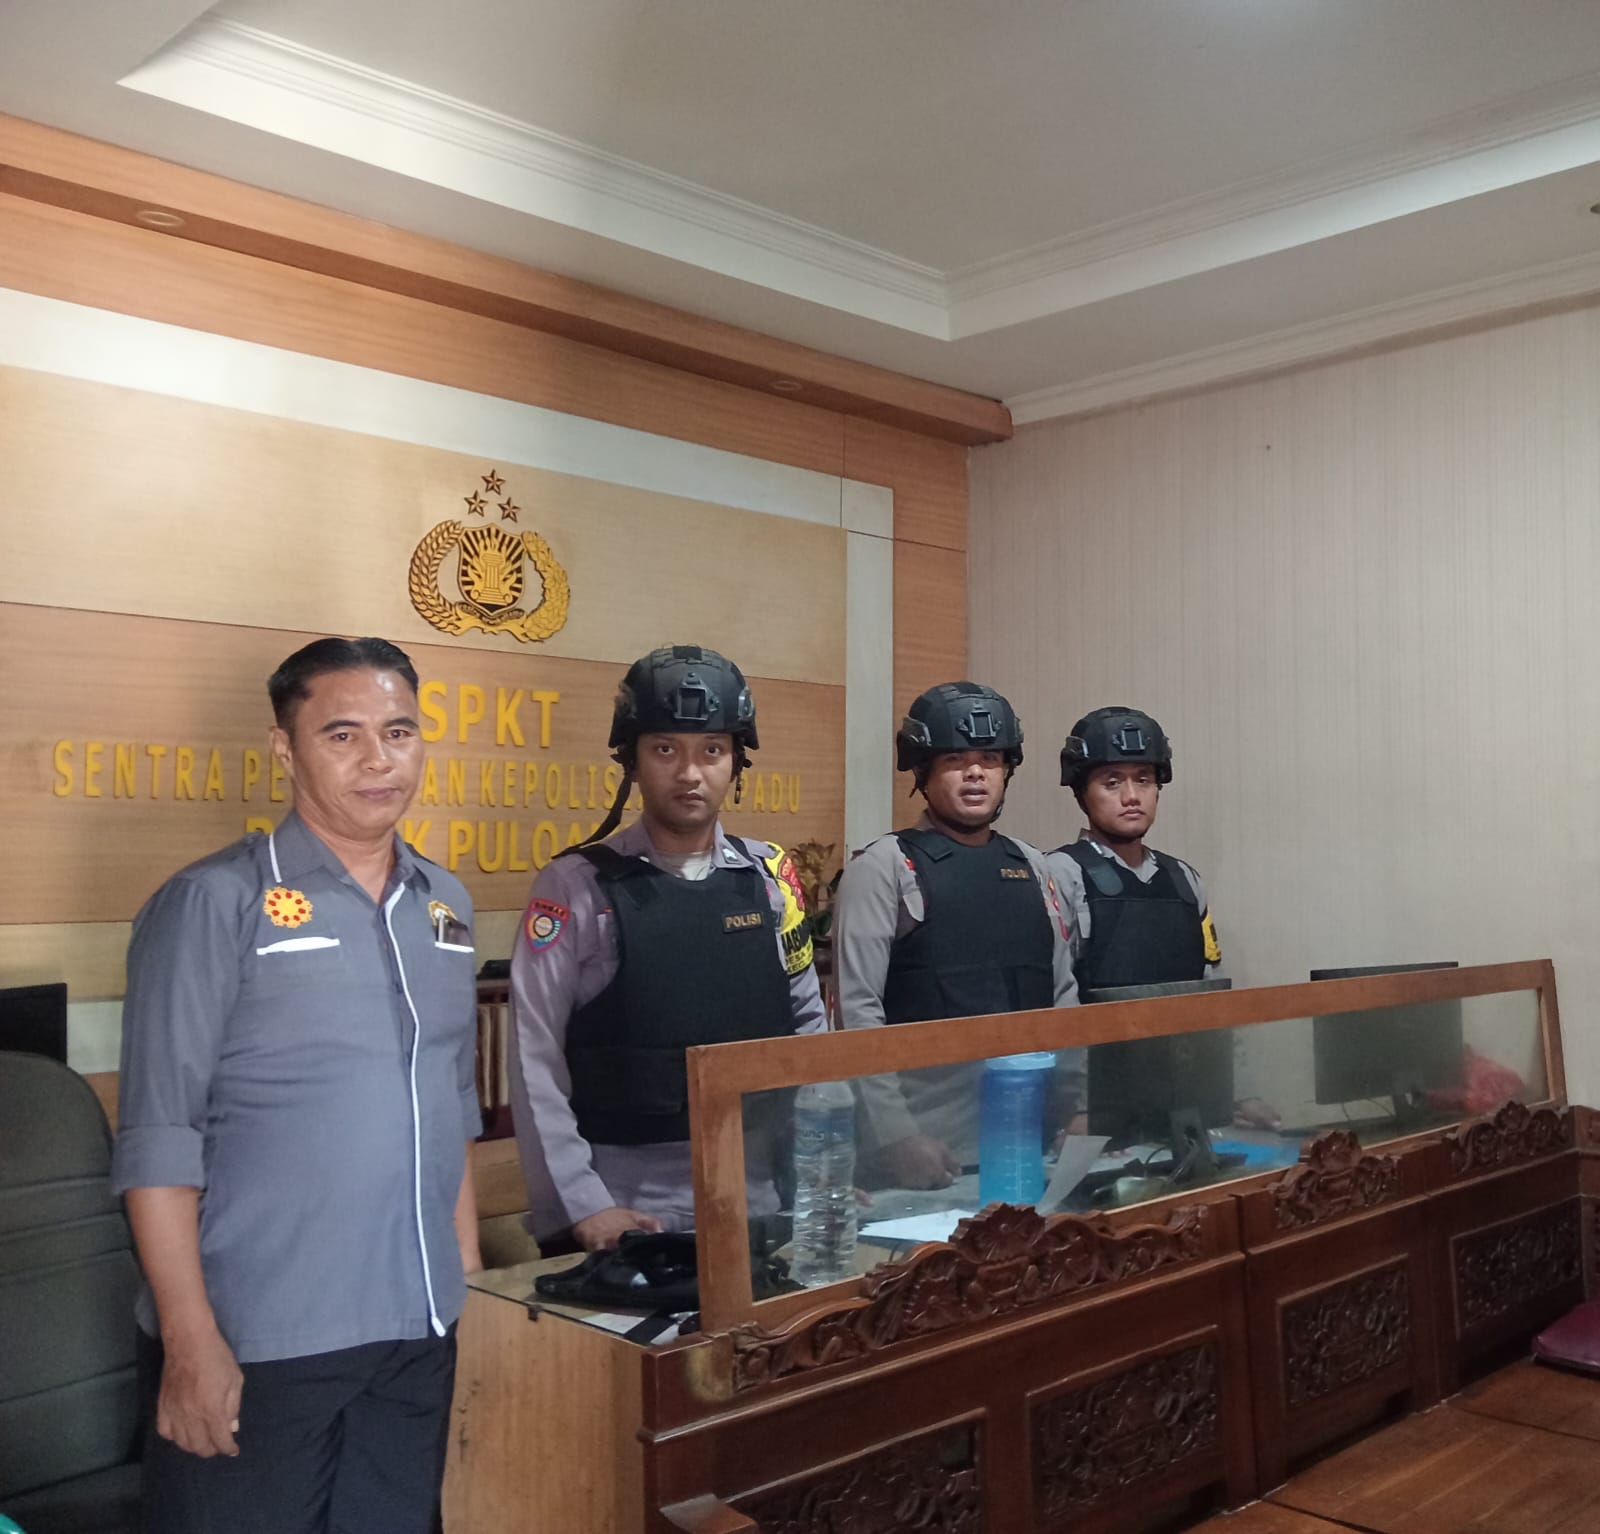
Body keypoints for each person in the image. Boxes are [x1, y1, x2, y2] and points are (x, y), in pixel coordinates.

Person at [112, 637, 482, 1534]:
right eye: (342, 735)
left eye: (399, 732)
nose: (378, 760)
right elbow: (159, 1136)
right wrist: (190, 1342)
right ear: (285, 749)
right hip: (260, 1341)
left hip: (416, 1336)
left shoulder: (444, 905)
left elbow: (449, 1111)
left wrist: (470, 1289)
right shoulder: (213, 902)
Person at [508, 644, 823, 1250]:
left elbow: (808, 1034)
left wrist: (820, 1170)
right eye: (665, 750)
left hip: (760, 1205)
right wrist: (585, 1206)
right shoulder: (574, 886)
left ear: (737, 762)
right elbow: (533, 1061)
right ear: (631, 760)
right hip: (625, 1218)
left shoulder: (770, 879)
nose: (689, 773)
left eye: (712, 750)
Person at [831, 681, 1079, 1189]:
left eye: (990, 758)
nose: (975, 772)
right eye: (954, 759)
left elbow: (1064, 998)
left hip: (1035, 1144)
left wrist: (1079, 1107)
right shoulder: (883, 867)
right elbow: (857, 1015)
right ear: (922, 771)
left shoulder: (1036, 866)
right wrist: (896, 1137)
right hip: (930, 1158)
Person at [1048, 707, 1221, 995]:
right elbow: (1053, 996)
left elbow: (1213, 987)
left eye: (1143, 780)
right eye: (1112, 783)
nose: (1131, 797)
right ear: (1081, 794)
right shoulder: (1059, 875)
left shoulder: (1185, 879)